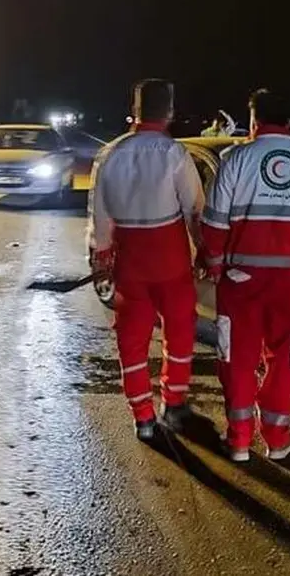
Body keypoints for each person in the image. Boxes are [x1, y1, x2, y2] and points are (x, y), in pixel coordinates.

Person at [199, 88, 290, 462]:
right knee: (283, 357)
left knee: (237, 357)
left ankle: (239, 440)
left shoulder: (236, 158)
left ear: (253, 120)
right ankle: (277, 439)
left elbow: (213, 224)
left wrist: (213, 261)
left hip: (241, 277)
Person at [87, 79, 205, 441]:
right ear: (169, 112)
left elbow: (100, 219)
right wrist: (204, 251)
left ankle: (143, 418)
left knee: (131, 340)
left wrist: (101, 262)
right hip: (171, 261)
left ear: (134, 111)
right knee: (180, 331)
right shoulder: (174, 154)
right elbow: (196, 210)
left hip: (130, 265)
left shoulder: (109, 155)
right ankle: (174, 404)